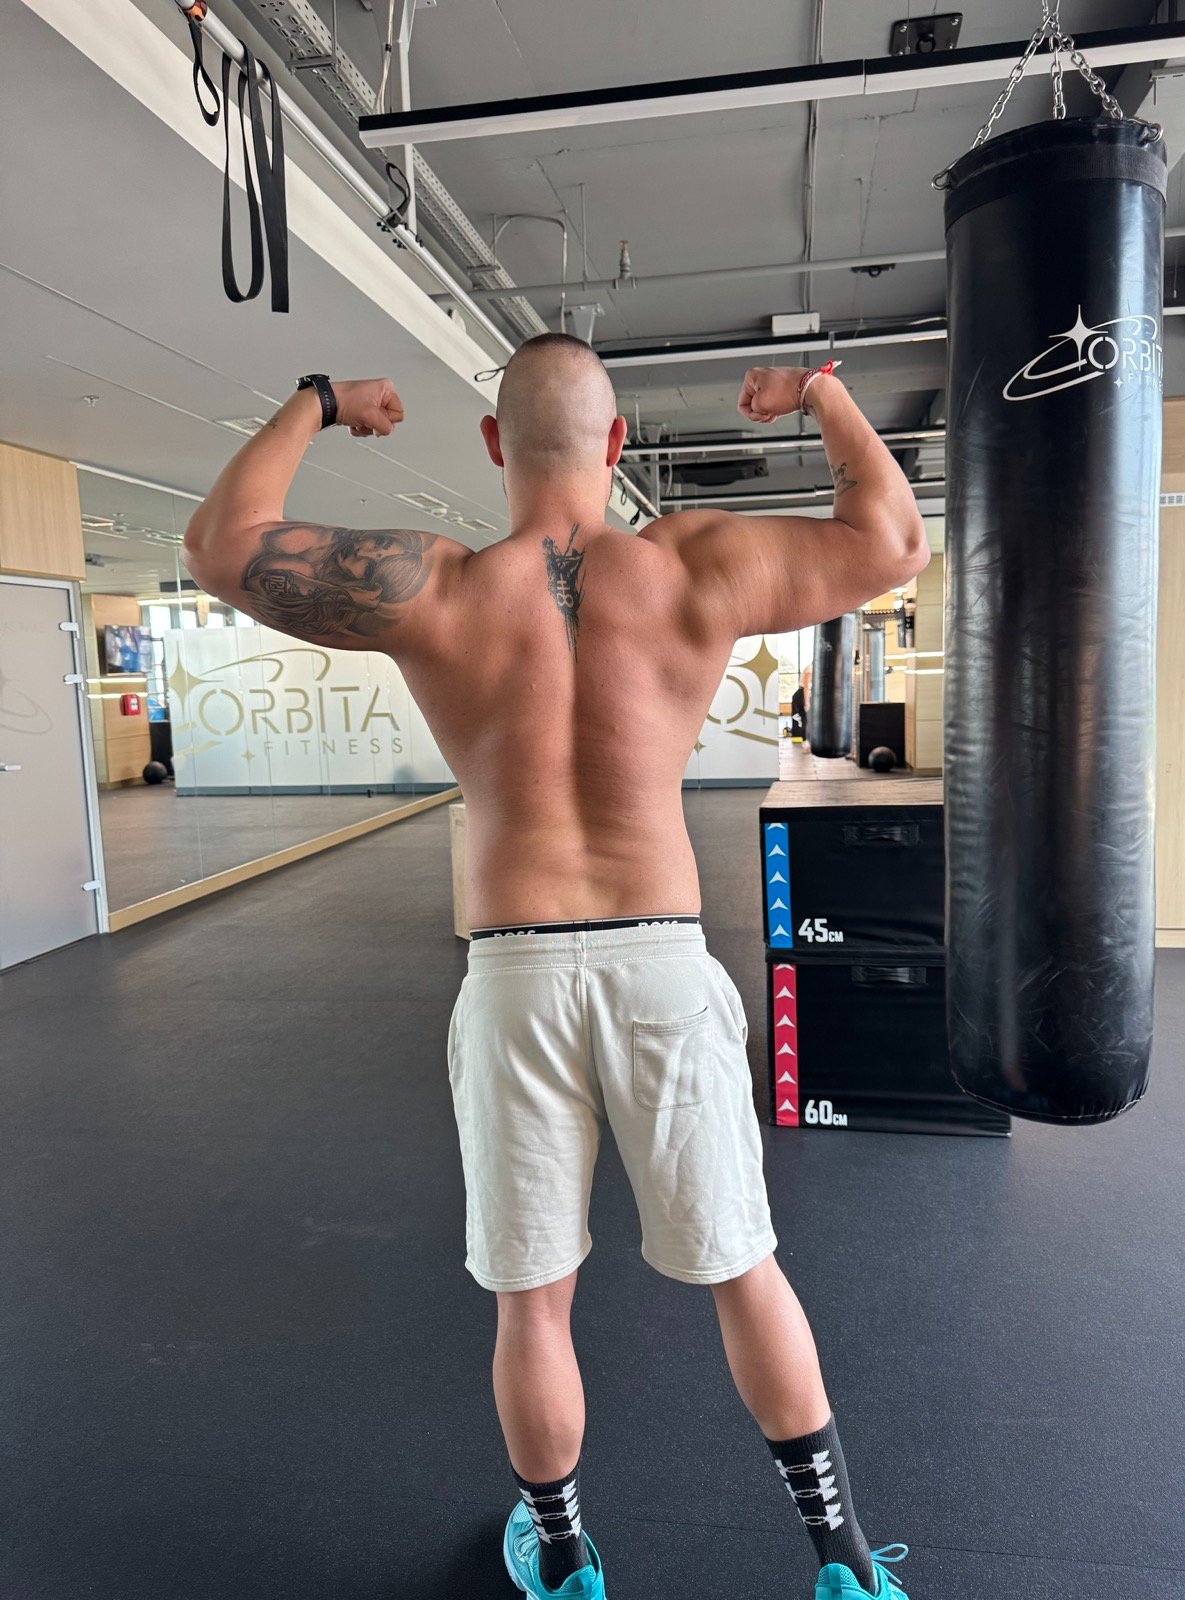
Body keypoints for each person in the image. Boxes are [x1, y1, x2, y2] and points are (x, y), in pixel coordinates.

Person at [182, 338, 929, 1600]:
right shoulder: (693, 564)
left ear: (493, 445)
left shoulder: (437, 585)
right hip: (662, 965)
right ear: (619, 441)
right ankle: (846, 1565)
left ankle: (570, 1561)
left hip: (516, 977)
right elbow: (895, 538)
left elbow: (220, 545)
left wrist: (318, 401)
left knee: (533, 1305)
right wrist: (819, 394)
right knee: (745, 1267)